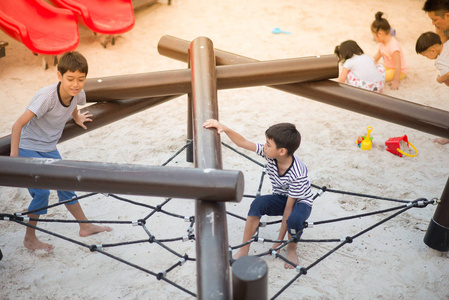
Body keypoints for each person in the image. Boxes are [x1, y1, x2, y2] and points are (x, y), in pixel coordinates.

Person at [10, 51, 112, 253]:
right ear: (59, 76)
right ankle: (30, 238)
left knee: (66, 184)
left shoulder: (78, 93)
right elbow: (17, 125)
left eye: (81, 79)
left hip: (49, 148)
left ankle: (85, 226)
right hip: (28, 147)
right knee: (42, 193)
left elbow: (73, 103)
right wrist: (14, 159)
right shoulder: (45, 97)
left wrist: (76, 117)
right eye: (70, 79)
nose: (75, 84)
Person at [203, 119, 314, 269]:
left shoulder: (298, 173)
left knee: (294, 219)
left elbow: (288, 209)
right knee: (257, 203)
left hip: (300, 201)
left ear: (282, 151)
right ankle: (244, 249)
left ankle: (292, 249)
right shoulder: (270, 154)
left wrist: (278, 243)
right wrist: (224, 128)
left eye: (268, 144)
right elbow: (243, 142)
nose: (265, 147)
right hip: (281, 196)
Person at [415, 32, 449, 145]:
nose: (427, 58)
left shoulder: (440, 62)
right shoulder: (447, 44)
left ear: (433, 50)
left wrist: (440, 79)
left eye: (426, 55)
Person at [371, 11, 407, 90]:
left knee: (379, 76)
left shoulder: (394, 46)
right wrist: (369, 64)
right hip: (387, 67)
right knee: (374, 70)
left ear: (380, 33)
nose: (375, 39)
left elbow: (398, 65)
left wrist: (396, 81)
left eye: (374, 36)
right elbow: (377, 57)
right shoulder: (382, 43)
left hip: (398, 71)